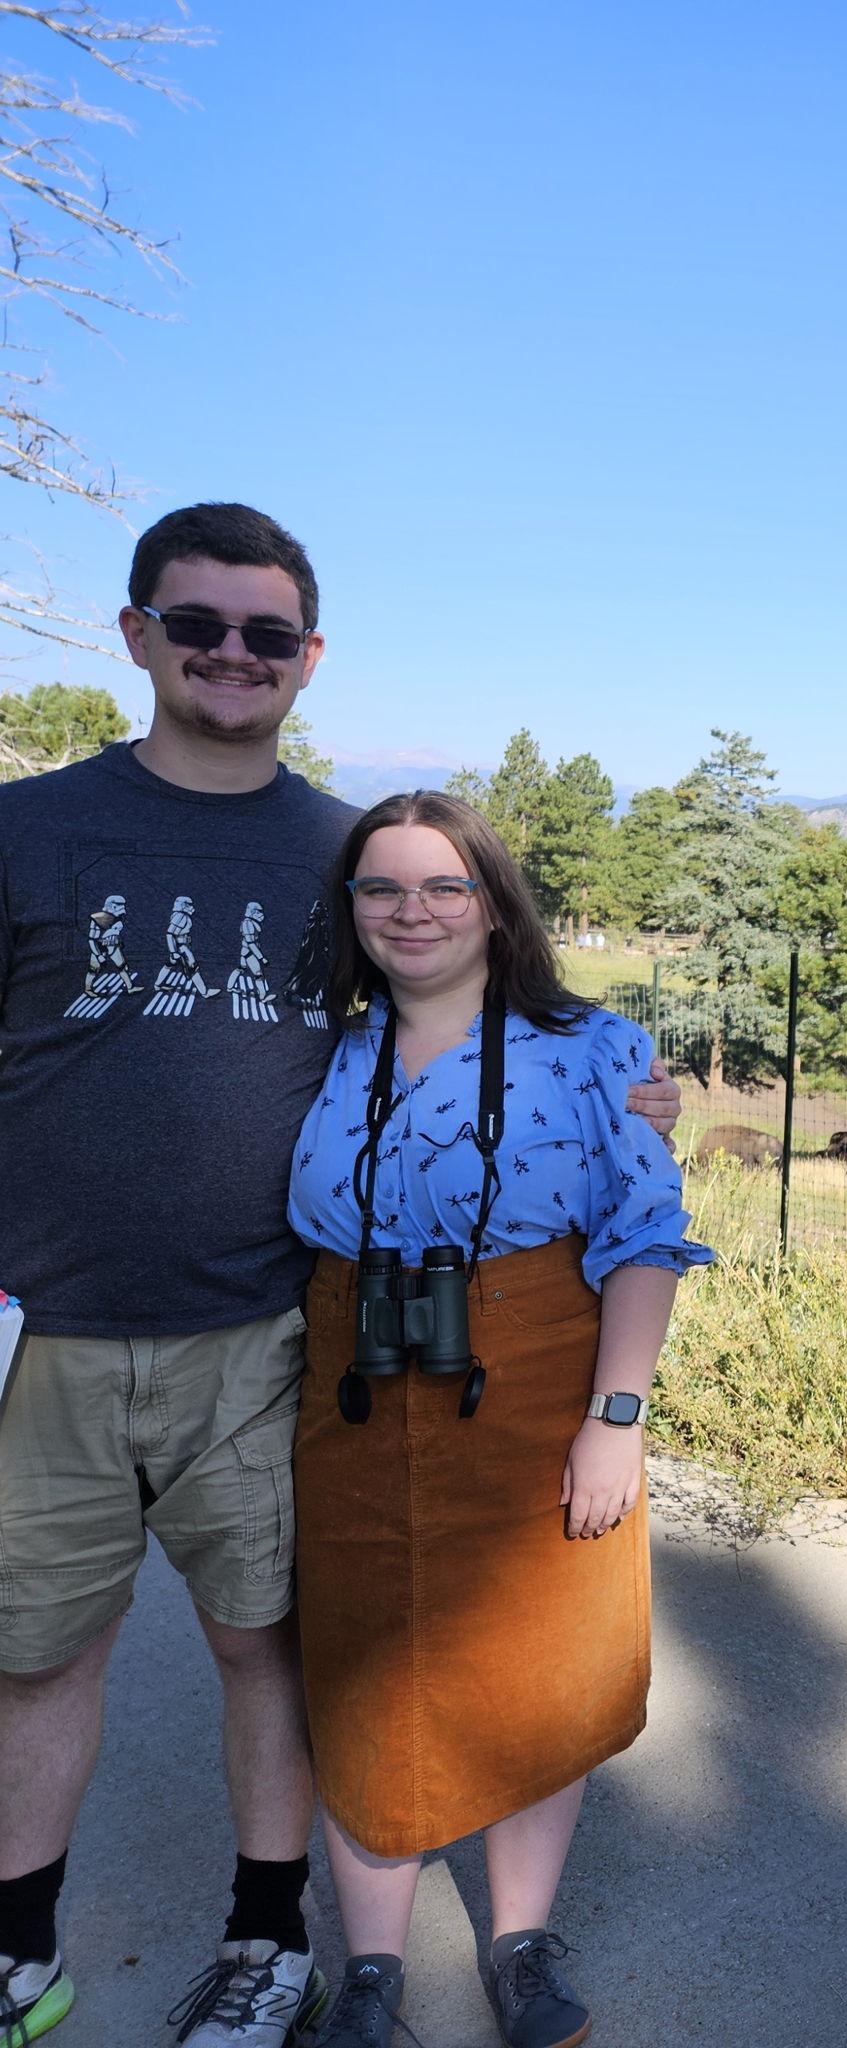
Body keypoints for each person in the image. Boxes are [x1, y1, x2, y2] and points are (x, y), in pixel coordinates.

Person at [0, 504, 679, 2048]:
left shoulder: (345, 852)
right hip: (88, 1336)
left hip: (272, 1341)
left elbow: (603, 1163)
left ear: (309, 657)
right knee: (44, 1653)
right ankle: (25, 1953)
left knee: (288, 1652)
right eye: (196, 624)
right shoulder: (29, 831)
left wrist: (630, 1109)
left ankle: (280, 1948)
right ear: (135, 634)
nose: (230, 654)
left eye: (266, 632)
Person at [285, 792, 708, 2048]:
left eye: (443, 884)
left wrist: (615, 1416)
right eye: (380, 886)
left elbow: (644, 1235)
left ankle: (519, 1940)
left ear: (494, 904)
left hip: (535, 1375)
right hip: (354, 1382)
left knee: (540, 1666)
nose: (409, 910)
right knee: (362, 1668)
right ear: (350, 908)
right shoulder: (321, 1048)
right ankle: (372, 1965)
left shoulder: (594, 1050)